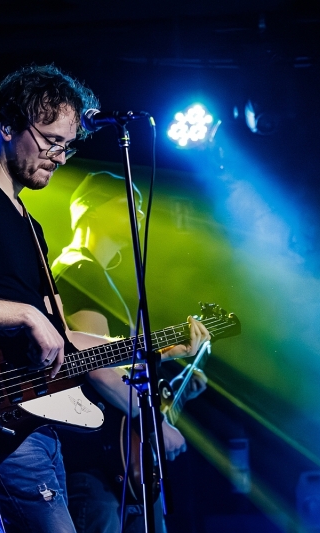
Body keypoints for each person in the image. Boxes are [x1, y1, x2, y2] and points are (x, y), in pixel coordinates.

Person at [0, 65, 210, 533]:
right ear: (8, 125)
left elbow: (64, 340)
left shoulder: (31, 225)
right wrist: (26, 314)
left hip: (34, 417)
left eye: (67, 145)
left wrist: (159, 347)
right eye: (50, 141)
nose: (61, 157)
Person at [51, 171, 209, 533]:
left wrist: (168, 357)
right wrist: (157, 426)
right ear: (88, 207)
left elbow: (114, 359)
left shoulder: (92, 273)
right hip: (100, 465)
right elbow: (98, 368)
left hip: (118, 465)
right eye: (129, 204)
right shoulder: (80, 271)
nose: (140, 214)